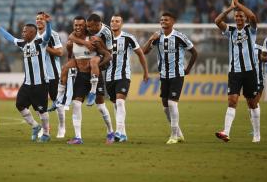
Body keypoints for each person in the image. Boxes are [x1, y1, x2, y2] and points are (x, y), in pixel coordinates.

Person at [0, 14, 52, 142]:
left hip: (41, 83)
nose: (22, 33)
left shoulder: (41, 42)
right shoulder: (23, 43)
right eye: (23, 31)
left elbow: (47, 36)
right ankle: (35, 126)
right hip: (27, 83)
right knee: (20, 105)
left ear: (32, 32)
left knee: (42, 111)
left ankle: (46, 134)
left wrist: (49, 24)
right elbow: (9, 38)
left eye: (25, 31)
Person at [143, 12, 197, 144]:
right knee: (165, 107)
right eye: (161, 20)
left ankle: (173, 136)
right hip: (163, 75)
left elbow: (194, 52)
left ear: (173, 22)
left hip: (177, 75)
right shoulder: (157, 36)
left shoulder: (180, 37)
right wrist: (151, 39)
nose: (163, 22)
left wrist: (188, 69)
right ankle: (179, 133)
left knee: (172, 103)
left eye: (166, 20)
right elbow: (144, 52)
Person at [214, 0, 261, 143]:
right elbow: (217, 20)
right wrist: (230, 8)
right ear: (234, 18)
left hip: (250, 71)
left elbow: (253, 17)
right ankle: (226, 132)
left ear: (245, 18)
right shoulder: (231, 31)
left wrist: (239, 4)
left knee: (252, 103)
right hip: (235, 72)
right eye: (237, 16)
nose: (239, 18)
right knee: (232, 100)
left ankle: (257, 134)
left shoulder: (251, 30)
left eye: (241, 16)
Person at [65, 16, 111, 144]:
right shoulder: (71, 41)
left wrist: (98, 65)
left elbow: (108, 55)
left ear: (85, 26)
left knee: (101, 107)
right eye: (76, 25)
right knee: (76, 104)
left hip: (94, 76)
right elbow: (70, 57)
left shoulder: (94, 39)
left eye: (80, 25)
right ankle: (78, 137)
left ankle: (110, 132)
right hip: (81, 76)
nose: (78, 27)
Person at [106, 14, 149, 142]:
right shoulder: (105, 39)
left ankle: (118, 132)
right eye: (112, 21)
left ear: (121, 24)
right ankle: (123, 134)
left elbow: (140, 54)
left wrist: (145, 71)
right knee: (115, 104)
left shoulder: (128, 38)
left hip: (123, 75)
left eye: (117, 21)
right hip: (109, 76)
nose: (114, 23)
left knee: (120, 102)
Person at [35, 12, 66, 138]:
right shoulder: (33, 35)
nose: (39, 21)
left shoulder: (53, 34)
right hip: (39, 76)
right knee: (39, 103)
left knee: (57, 103)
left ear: (46, 20)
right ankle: (45, 128)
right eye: (37, 19)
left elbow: (60, 52)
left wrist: (45, 47)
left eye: (41, 19)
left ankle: (62, 126)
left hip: (53, 74)